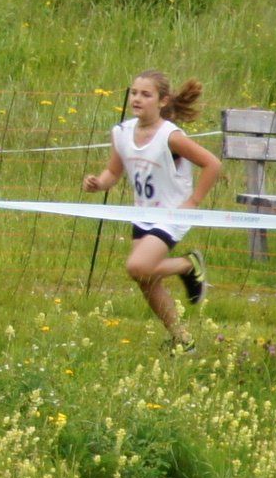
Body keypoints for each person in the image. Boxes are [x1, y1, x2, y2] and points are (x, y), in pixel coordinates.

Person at [83, 71, 223, 348]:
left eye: (146, 94)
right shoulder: (121, 132)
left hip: (171, 215)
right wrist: (98, 183)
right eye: (134, 93)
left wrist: (193, 202)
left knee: (138, 266)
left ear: (162, 101)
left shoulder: (170, 136)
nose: (137, 99)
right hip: (143, 215)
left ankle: (188, 265)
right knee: (145, 279)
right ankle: (183, 340)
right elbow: (113, 172)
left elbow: (213, 164)